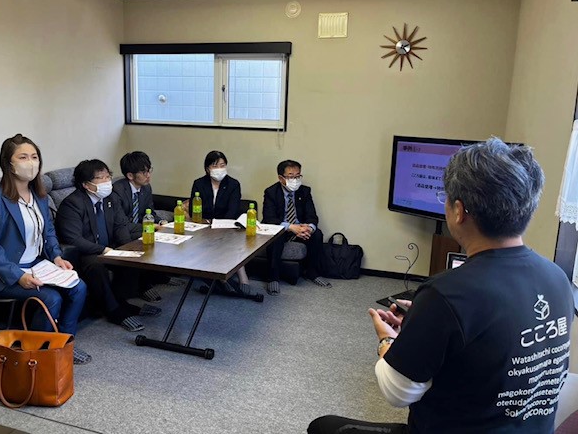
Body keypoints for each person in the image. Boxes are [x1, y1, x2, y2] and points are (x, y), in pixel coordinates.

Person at [308, 138, 574, 433]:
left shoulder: (447, 293)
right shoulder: (557, 278)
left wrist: (387, 341)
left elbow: (398, 392)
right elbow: (494, 341)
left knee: (323, 427)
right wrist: (424, 323)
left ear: (458, 211)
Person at [0, 134, 91, 365]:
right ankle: (36, 356)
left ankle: (63, 344)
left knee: (79, 287)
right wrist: (18, 276)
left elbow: (48, 232)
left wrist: (56, 256)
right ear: (8, 164)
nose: (31, 163)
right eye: (23, 157)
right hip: (3, 273)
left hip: (36, 265)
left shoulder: (39, 196)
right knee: (50, 298)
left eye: (34, 157)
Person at [56, 159, 161, 332]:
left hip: (108, 247)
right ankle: (114, 312)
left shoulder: (109, 198)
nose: (106, 182)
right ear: (86, 184)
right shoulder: (73, 204)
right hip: (86, 253)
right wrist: (103, 250)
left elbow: (120, 225)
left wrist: (128, 248)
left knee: (134, 254)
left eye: (108, 177)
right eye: (100, 178)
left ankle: (122, 302)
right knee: (96, 266)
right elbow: (73, 239)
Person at [112, 151, 179, 302]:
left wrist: (161, 222)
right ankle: (143, 286)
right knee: (146, 239)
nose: (148, 175)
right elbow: (121, 223)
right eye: (143, 172)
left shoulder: (146, 188)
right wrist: (151, 227)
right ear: (130, 175)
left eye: (149, 170)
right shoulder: (117, 190)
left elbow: (149, 212)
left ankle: (158, 277)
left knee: (163, 235)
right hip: (122, 232)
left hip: (138, 228)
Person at [188, 150, 253, 295]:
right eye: (215, 166)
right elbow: (194, 210)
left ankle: (242, 277)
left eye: (222, 165)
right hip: (204, 226)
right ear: (207, 169)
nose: (219, 169)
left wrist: (219, 225)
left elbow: (233, 210)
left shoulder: (233, 184)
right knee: (206, 240)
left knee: (231, 239)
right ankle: (221, 279)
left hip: (227, 225)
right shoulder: (199, 184)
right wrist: (209, 224)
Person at [262, 160, 329, 296]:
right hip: (282, 228)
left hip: (300, 229)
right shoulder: (271, 192)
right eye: (291, 176)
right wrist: (291, 227)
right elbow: (269, 218)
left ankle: (312, 273)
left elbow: (312, 216)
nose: (295, 180)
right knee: (276, 236)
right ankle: (273, 278)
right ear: (281, 178)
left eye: (298, 176)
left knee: (317, 234)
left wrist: (309, 228)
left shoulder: (304, 191)